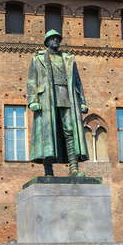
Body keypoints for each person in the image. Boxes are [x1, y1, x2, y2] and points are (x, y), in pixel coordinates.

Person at [27, 29, 89, 176]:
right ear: (46, 42)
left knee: (70, 131)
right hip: (46, 99)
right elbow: (31, 82)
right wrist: (33, 101)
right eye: (52, 38)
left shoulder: (68, 58)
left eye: (57, 38)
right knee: (47, 134)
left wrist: (82, 102)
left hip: (67, 97)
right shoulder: (37, 58)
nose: (56, 40)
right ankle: (48, 171)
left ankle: (73, 168)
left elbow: (77, 83)